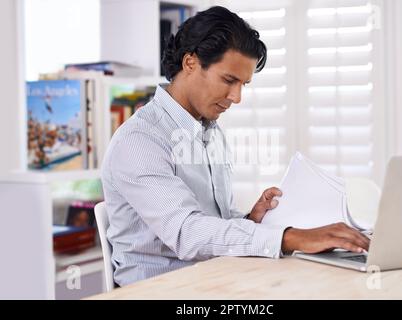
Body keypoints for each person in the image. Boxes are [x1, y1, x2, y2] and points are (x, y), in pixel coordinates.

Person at [101, 6, 370, 287]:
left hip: (214, 280)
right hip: (161, 291)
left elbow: (212, 223)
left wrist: (250, 219)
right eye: (229, 80)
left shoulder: (210, 132)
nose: (237, 97)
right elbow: (186, 233)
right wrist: (290, 237)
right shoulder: (140, 141)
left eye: (243, 84)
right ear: (190, 63)